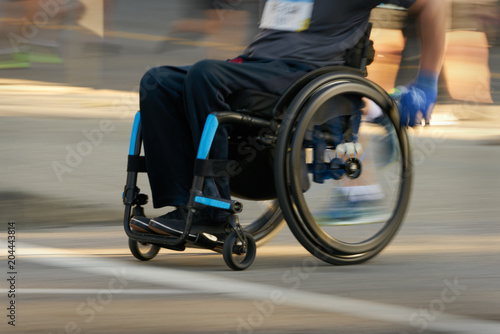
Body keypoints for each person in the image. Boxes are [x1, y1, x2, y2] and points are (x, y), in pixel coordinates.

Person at [130, 0, 447, 236]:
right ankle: (181, 207)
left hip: (304, 74)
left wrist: (427, 80)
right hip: (257, 65)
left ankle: (213, 212)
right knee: (158, 81)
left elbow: (433, 4)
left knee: (205, 74)